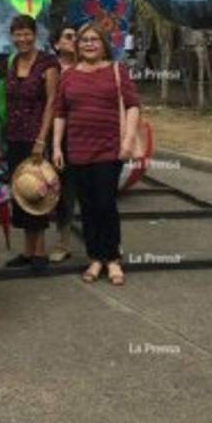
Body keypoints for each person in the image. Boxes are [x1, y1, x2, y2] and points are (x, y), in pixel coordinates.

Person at [53, 22, 140, 286]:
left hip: (109, 149)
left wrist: (128, 141)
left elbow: (133, 106)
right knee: (88, 206)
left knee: (105, 203)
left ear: (104, 44)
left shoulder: (116, 70)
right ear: (77, 46)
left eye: (94, 39)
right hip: (78, 150)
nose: (89, 44)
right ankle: (95, 258)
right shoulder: (68, 75)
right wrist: (56, 146)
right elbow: (60, 112)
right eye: (84, 40)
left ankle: (112, 258)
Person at [5, 15, 59, 272]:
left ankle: (40, 252)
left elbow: (52, 102)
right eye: (18, 34)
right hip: (14, 136)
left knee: (39, 191)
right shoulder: (13, 62)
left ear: (35, 35)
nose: (22, 39)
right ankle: (27, 251)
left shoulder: (48, 63)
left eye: (27, 33)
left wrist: (41, 138)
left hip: (35, 137)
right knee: (21, 192)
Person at [49, 24, 77, 263]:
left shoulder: (90, 67)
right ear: (56, 44)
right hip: (54, 138)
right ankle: (62, 241)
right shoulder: (48, 68)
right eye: (68, 36)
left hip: (85, 137)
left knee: (92, 191)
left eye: (77, 36)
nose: (74, 40)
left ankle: (106, 243)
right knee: (60, 190)